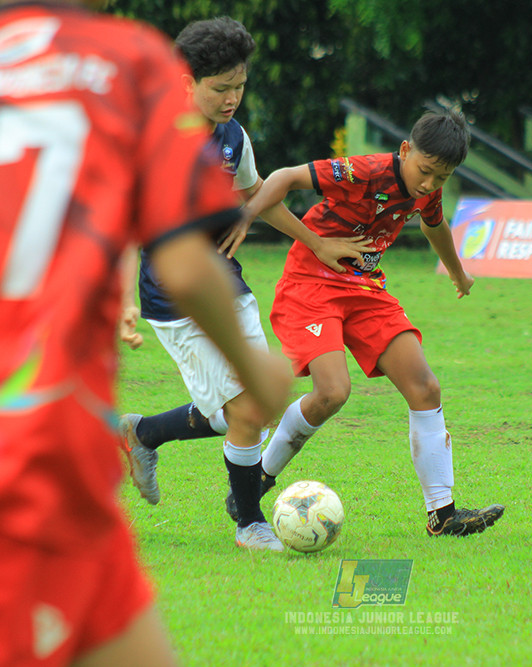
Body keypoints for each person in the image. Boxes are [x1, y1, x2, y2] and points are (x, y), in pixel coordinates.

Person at [0, 1, 290, 665]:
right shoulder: (127, 65)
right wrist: (258, 371)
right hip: (34, 426)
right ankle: (220, 494)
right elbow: (182, 260)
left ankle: (143, 436)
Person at [117, 17, 369, 551]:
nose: (232, 98)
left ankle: (144, 433)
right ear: (186, 83)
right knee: (246, 409)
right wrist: (121, 300)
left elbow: (256, 194)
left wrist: (316, 242)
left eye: (240, 86)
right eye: (221, 88)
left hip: (226, 282)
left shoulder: (232, 137)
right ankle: (250, 524)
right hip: (173, 296)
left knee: (251, 405)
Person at [238, 108, 506, 537]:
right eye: (425, 171)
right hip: (311, 282)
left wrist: (458, 272)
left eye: (442, 177)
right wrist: (297, 234)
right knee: (332, 392)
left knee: (425, 388)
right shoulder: (363, 171)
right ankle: (256, 479)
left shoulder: (427, 190)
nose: (429, 184)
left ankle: (443, 514)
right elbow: (284, 177)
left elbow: (434, 224)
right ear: (405, 150)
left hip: (364, 290)